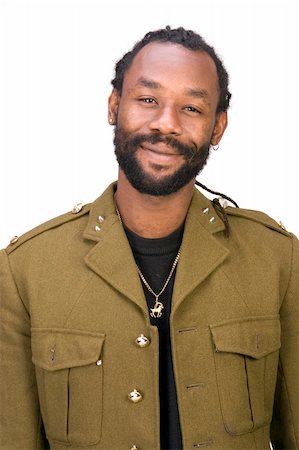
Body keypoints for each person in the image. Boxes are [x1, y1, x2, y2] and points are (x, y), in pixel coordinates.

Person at [0, 26, 298, 450]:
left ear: (218, 127)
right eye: (147, 100)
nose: (166, 124)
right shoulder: (23, 271)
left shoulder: (279, 259)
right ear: (114, 106)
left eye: (192, 108)